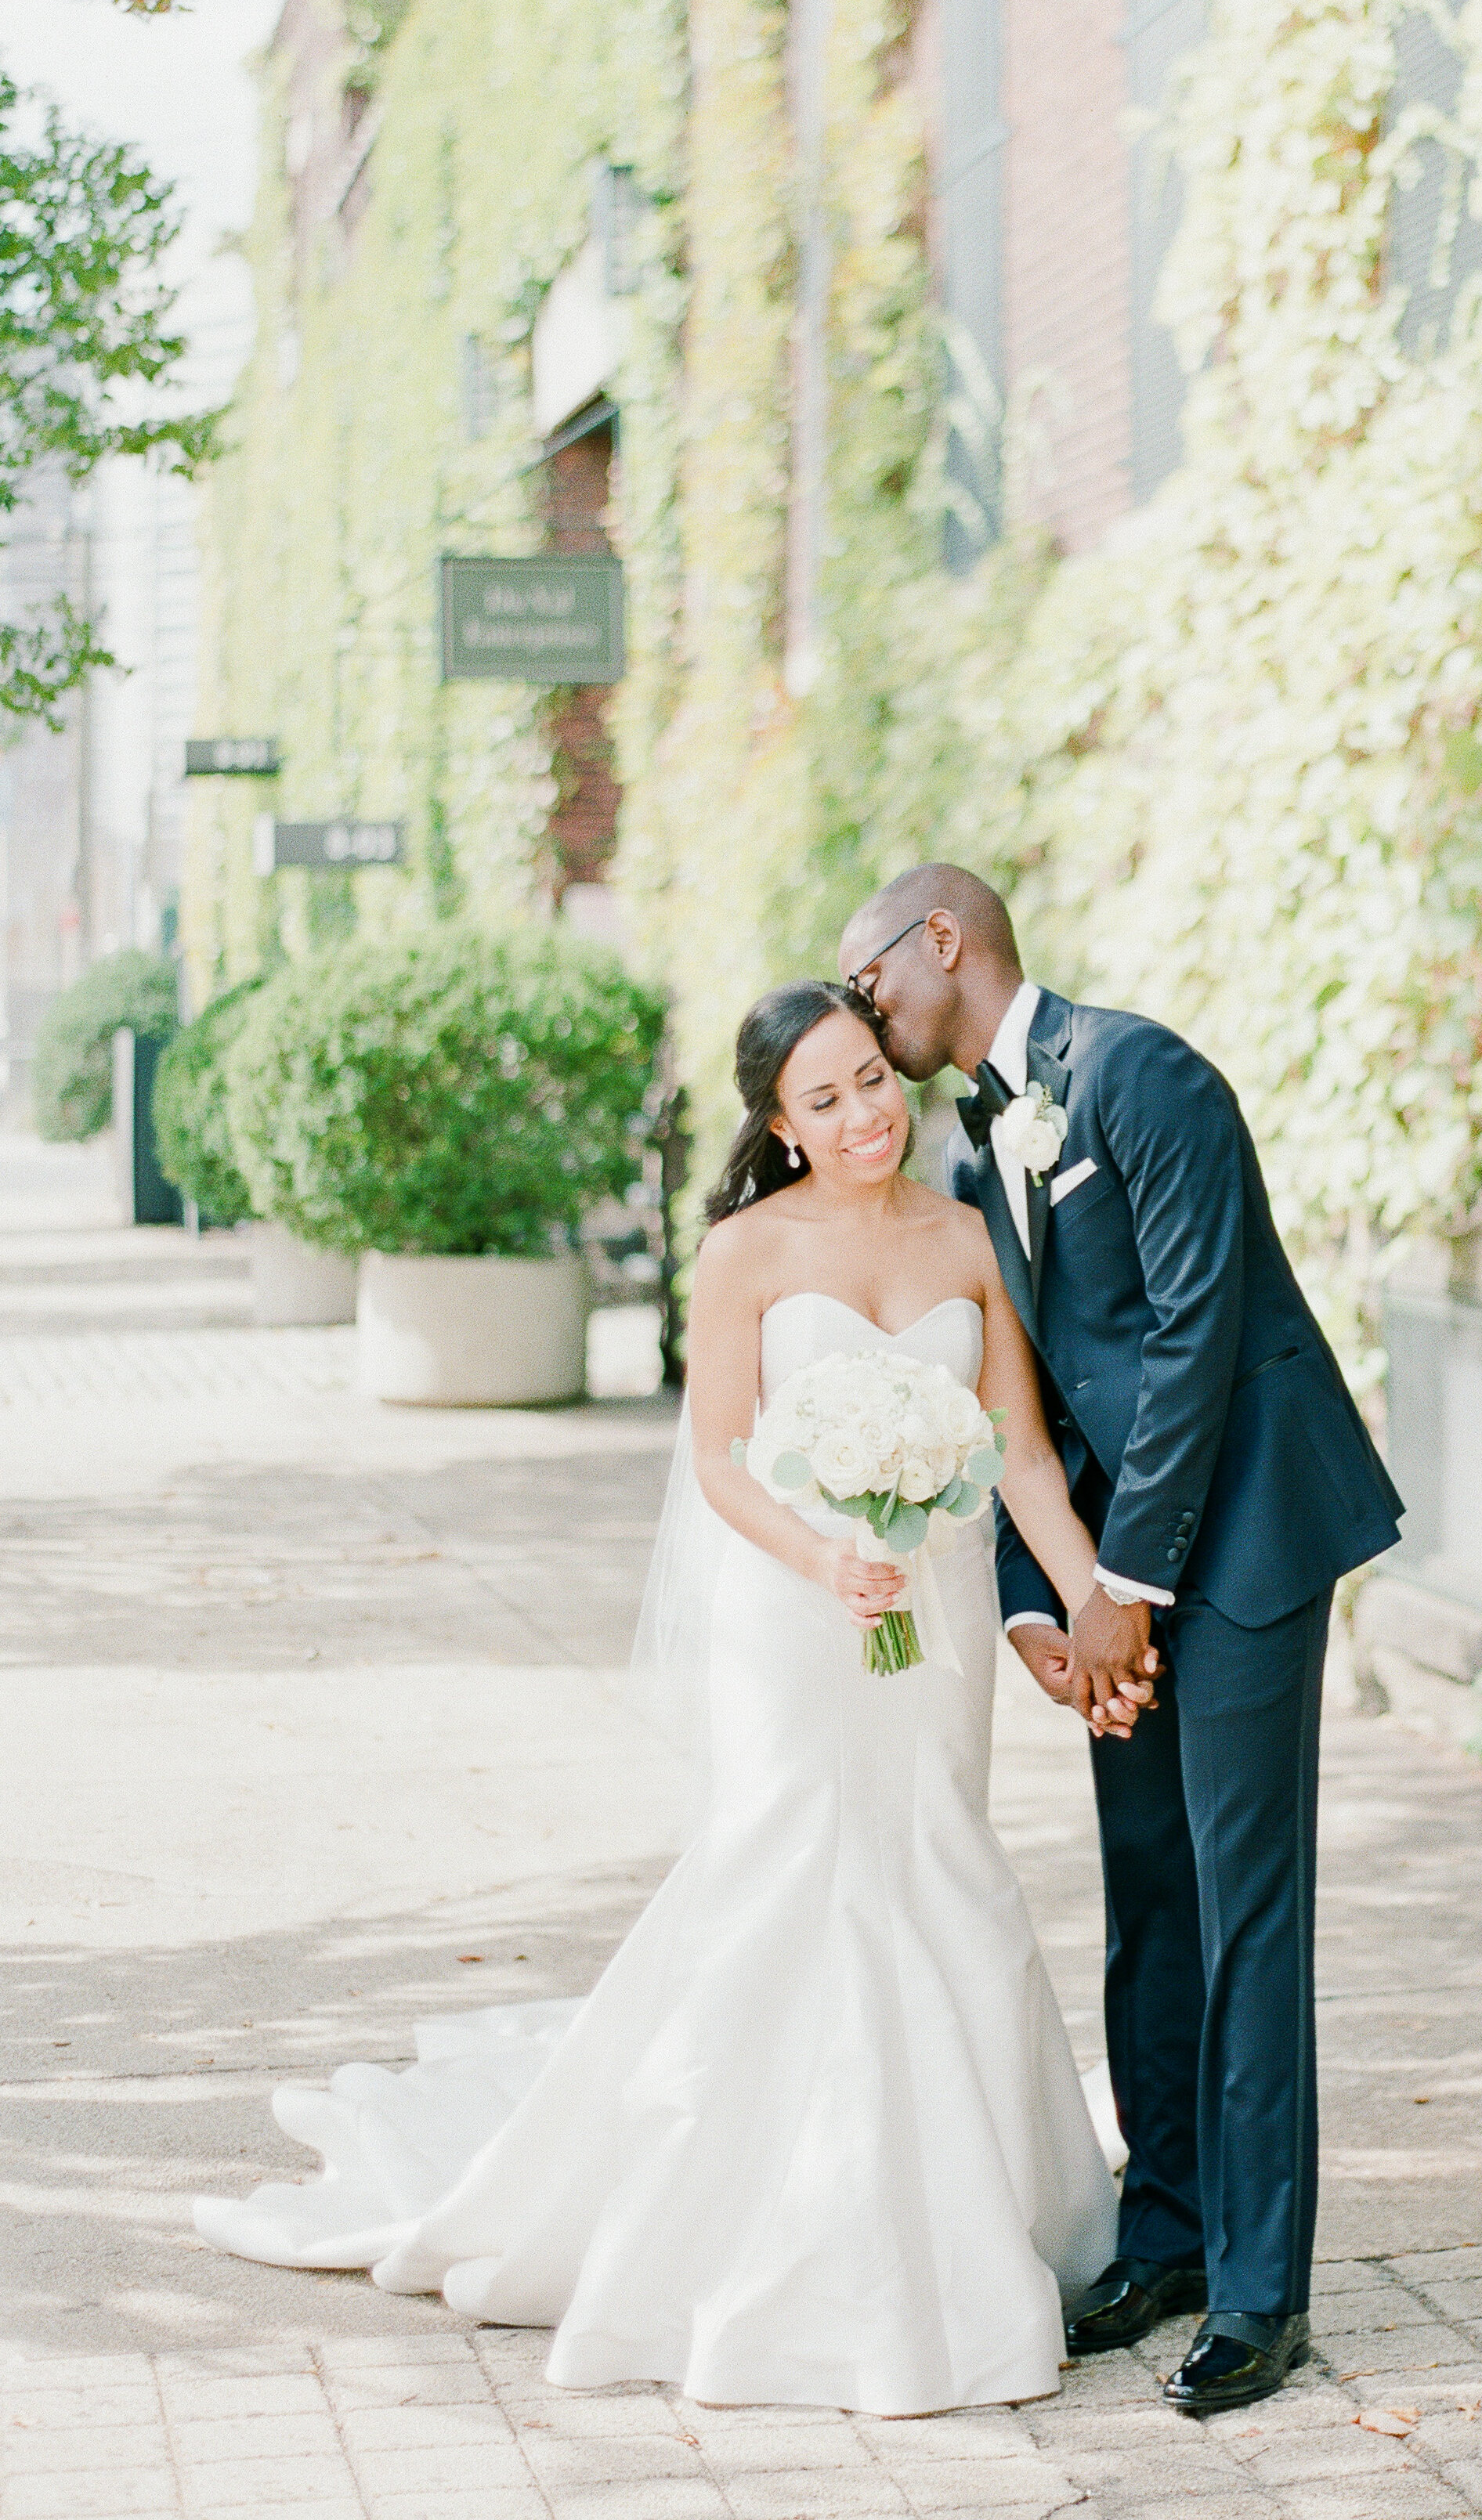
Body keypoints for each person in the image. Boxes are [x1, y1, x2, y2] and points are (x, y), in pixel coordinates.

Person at [194, 979, 1122, 2415]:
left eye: (874, 1079)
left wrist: (1088, 1590)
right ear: (779, 1123)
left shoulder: (964, 1236)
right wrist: (828, 1555)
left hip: (924, 1623)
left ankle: (964, 2219)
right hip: (798, 1615)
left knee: (938, 1859)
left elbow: (1024, 1462)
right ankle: (762, 2234)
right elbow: (718, 1463)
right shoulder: (745, 1252)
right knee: (788, 1872)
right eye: (825, 1099)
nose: (866, 1114)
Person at [840, 866, 1404, 2416]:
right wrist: (1042, 1598)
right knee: (1148, 1901)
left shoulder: (1140, 1072)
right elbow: (1035, 1400)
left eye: (870, 975)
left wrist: (1123, 1594)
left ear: (941, 939)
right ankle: (1160, 2231)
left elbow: (1192, 1342)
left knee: (1244, 1910)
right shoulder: (978, 1139)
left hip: (1248, 1539)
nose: (864, 1007)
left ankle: (1255, 2291)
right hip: (1123, 1575)